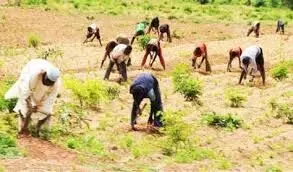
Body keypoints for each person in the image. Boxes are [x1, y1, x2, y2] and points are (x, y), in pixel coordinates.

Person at [4, 59, 61, 135]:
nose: (48, 83)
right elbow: (26, 92)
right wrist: (31, 105)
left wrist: (41, 109)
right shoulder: (34, 74)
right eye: (47, 80)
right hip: (28, 83)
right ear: (44, 74)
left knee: (46, 113)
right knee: (24, 109)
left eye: (50, 83)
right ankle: (22, 131)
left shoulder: (56, 84)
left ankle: (42, 133)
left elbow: (50, 101)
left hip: (41, 94)